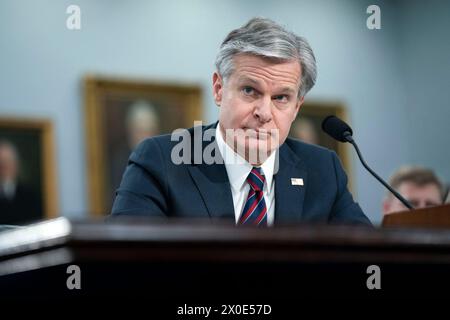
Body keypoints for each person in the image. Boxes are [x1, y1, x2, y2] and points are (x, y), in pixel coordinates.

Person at [111, 17, 371, 226]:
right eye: (250, 90)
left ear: (296, 107)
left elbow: (367, 257)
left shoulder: (323, 170)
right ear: (218, 89)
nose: (264, 112)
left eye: (281, 97)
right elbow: (126, 261)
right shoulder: (161, 161)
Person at [0, 140, 42, 225]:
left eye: (8, 161)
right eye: (1, 162)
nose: (4, 166)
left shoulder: (30, 195)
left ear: (16, 164)